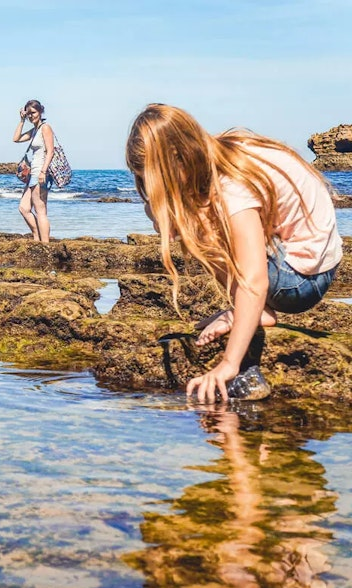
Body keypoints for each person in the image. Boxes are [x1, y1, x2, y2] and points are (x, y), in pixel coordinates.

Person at [126, 103, 342, 402]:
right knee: (196, 217)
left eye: (157, 181)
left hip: (302, 281)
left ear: (180, 160)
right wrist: (156, 207)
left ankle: (255, 312)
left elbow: (254, 281)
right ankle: (256, 311)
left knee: (199, 223)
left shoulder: (231, 187)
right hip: (307, 262)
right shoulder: (223, 153)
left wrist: (229, 364)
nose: (155, 190)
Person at [13, 99, 55, 243]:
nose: (31, 116)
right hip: (33, 174)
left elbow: (50, 151)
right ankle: (37, 236)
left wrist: (43, 172)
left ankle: (45, 245)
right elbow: (16, 139)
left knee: (41, 211)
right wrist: (21, 120)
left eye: (33, 113)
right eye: (29, 114)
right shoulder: (34, 130)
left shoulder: (45, 127)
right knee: (24, 208)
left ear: (40, 111)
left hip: (41, 173)